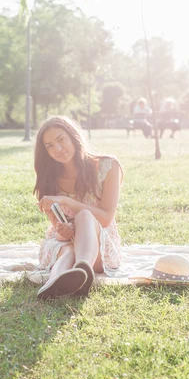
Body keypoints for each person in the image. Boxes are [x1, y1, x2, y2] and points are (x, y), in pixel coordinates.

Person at [34, 116, 124, 300]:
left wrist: (67, 201)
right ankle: (54, 281)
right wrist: (62, 232)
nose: (57, 149)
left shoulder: (108, 166)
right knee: (68, 249)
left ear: (73, 136)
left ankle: (83, 269)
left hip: (99, 247)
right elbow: (58, 228)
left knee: (84, 215)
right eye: (49, 146)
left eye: (61, 140)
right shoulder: (48, 178)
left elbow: (106, 218)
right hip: (65, 244)